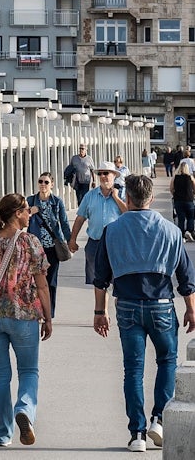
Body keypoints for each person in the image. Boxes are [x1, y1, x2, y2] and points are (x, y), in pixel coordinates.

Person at [92, 174, 195, 452]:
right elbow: (186, 277)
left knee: (133, 369)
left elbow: (101, 276)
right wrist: (191, 310)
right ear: (150, 198)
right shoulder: (171, 231)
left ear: (127, 199)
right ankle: (158, 418)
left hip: (126, 305)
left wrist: (99, 312)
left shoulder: (111, 231)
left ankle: (136, 433)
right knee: (166, 360)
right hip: (161, 304)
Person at [0, 194, 52, 447]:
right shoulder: (30, 242)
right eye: (27, 210)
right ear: (17, 213)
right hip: (24, 317)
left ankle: (2, 434)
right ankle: (25, 409)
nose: (30, 214)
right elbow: (42, 285)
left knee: (0, 374)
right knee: (28, 370)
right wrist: (48, 318)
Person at [69, 161, 128, 284]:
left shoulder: (123, 195)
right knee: (99, 284)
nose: (102, 176)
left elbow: (129, 214)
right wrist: (73, 239)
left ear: (114, 175)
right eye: (100, 173)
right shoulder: (90, 196)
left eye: (106, 173)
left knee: (119, 283)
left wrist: (116, 198)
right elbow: (80, 218)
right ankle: (102, 304)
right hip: (95, 244)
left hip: (115, 245)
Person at [27, 172, 72, 318]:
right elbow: (20, 217)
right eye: (40, 181)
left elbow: (64, 223)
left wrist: (70, 240)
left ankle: (49, 313)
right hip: (35, 247)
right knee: (36, 281)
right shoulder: (31, 200)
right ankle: (37, 310)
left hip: (52, 247)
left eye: (46, 182)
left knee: (51, 281)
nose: (43, 184)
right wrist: (29, 212)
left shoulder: (57, 202)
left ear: (51, 184)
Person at [169, 163, 195, 242]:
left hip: (178, 200)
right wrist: (192, 194)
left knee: (181, 218)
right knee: (191, 217)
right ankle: (189, 231)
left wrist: (175, 194)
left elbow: (171, 188)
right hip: (189, 200)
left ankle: (181, 235)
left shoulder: (175, 178)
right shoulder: (190, 177)